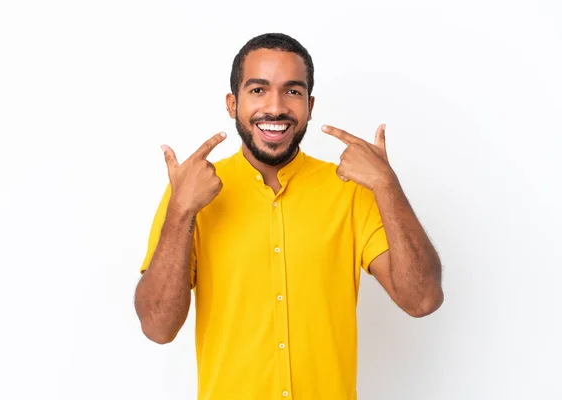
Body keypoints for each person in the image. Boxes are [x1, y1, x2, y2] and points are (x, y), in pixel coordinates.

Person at [134, 32, 443, 400]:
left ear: (310, 105)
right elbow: (157, 327)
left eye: (292, 91)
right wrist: (181, 210)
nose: (276, 107)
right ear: (232, 103)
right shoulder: (189, 194)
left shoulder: (351, 189)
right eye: (258, 90)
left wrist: (387, 186)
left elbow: (422, 300)